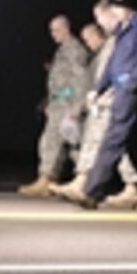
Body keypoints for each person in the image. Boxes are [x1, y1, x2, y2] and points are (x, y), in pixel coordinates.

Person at [71, 0, 137, 210]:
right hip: (120, 89)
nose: (114, 12)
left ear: (127, 8)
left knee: (112, 141)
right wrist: (99, 88)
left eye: (118, 7)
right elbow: (113, 64)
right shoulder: (123, 30)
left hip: (130, 93)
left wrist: (129, 86)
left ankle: (91, 192)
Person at [51, 16, 137, 207]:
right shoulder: (101, 53)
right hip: (100, 103)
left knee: (114, 145)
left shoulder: (112, 47)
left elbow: (108, 77)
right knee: (100, 143)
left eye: (89, 39)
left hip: (111, 102)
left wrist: (85, 103)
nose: (88, 44)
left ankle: (131, 186)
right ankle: (85, 181)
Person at [17, 14, 91, 196]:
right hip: (59, 104)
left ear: (66, 28)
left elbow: (81, 79)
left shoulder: (74, 49)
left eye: (56, 30)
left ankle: (78, 181)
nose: (53, 34)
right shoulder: (62, 50)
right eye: (51, 30)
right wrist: (50, 103)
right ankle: (49, 179)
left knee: (67, 144)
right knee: (55, 143)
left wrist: (76, 107)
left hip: (67, 105)